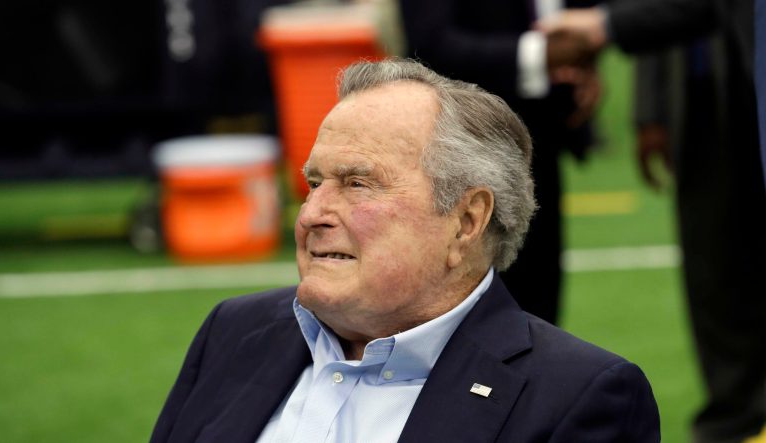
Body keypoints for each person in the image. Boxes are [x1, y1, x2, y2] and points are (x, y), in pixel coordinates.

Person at [150, 59, 659, 442]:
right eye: (315, 183)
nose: (311, 215)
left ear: (466, 221)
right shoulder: (234, 331)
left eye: (357, 184)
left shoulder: (577, 397)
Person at [538, 3, 766, 442]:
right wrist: (650, 112)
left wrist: (604, 26)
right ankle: (734, 414)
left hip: (745, 81)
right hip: (701, 100)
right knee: (711, 263)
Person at [398, 0, 601, 325]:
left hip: (540, 140)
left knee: (538, 308)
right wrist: (538, 54)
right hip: (461, 144)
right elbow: (430, 42)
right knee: (464, 308)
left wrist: (582, 65)